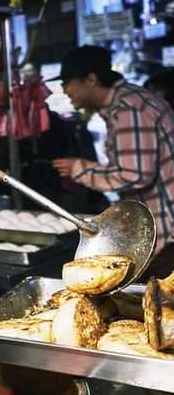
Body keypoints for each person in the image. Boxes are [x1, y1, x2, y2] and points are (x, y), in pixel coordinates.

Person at [51, 45, 174, 279]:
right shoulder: (127, 101)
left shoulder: (128, 108)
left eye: (67, 82)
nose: (64, 90)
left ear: (91, 80)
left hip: (168, 235)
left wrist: (80, 169)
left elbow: (135, 174)